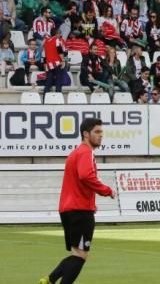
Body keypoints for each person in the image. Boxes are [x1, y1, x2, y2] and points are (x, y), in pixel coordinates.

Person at [40, 117, 115, 284]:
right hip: (79, 211)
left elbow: (77, 182)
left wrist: (91, 203)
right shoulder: (85, 152)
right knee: (81, 255)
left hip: (69, 209)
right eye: (97, 132)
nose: (101, 135)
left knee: (76, 253)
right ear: (85, 134)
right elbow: (86, 176)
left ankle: (48, 280)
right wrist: (107, 191)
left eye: (101, 132)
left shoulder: (76, 152)